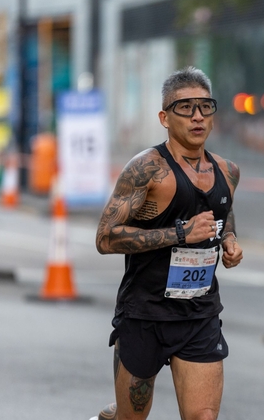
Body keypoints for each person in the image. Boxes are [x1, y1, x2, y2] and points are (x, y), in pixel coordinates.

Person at [91, 66, 243, 420]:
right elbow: (105, 237)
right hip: (145, 314)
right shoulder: (146, 169)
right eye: (185, 107)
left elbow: (224, 210)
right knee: (131, 417)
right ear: (164, 117)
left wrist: (229, 239)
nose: (197, 116)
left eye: (205, 107)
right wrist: (180, 233)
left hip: (199, 314)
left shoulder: (228, 171)